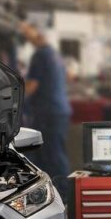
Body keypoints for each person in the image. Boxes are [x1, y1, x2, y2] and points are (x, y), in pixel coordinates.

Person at [19, 22, 72, 199]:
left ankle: (64, 196)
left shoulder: (40, 55)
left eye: (27, 32)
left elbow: (32, 85)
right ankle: (58, 195)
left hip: (49, 112)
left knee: (53, 155)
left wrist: (13, 101)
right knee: (52, 154)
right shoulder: (54, 54)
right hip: (57, 111)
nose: (25, 36)